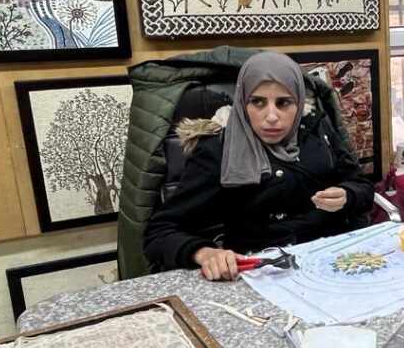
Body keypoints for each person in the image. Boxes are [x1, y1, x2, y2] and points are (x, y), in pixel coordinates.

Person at [144, 51, 373, 281]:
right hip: (260, 271)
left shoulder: (317, 130)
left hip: (331, 262)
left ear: (299, 101)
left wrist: (348, 195)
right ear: (243, 102)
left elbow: (363, 187)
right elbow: (160, 232)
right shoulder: (219, 149)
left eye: (283, 103)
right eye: (258, 102)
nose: (271, 116)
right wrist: (205, 253)